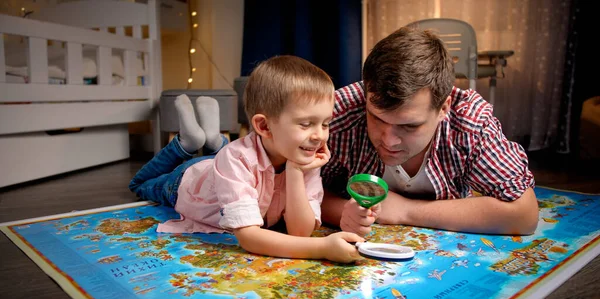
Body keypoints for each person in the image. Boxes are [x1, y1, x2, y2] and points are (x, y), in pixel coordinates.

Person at [129, 55, 364, 263]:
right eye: (306, 124)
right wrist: (322, 247)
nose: (319, 135)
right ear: (263, 125)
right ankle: (186, 144)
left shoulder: (303, 156)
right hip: (188, 181)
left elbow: (299, 233)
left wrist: (295, 171)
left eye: (325, 124)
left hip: (222, 164)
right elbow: (249, 237)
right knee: (139, 185)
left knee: (227, 154)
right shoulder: (235, 158)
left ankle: (213, 139)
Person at [321, 27, 539, 236]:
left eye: (409, 126)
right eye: (376, 118)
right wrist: (343, 212)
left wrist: (405, 210)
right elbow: (292, 191)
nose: (389, 140)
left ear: (443, 108)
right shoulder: (336, 112)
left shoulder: (469, 122)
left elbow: (525, 214)